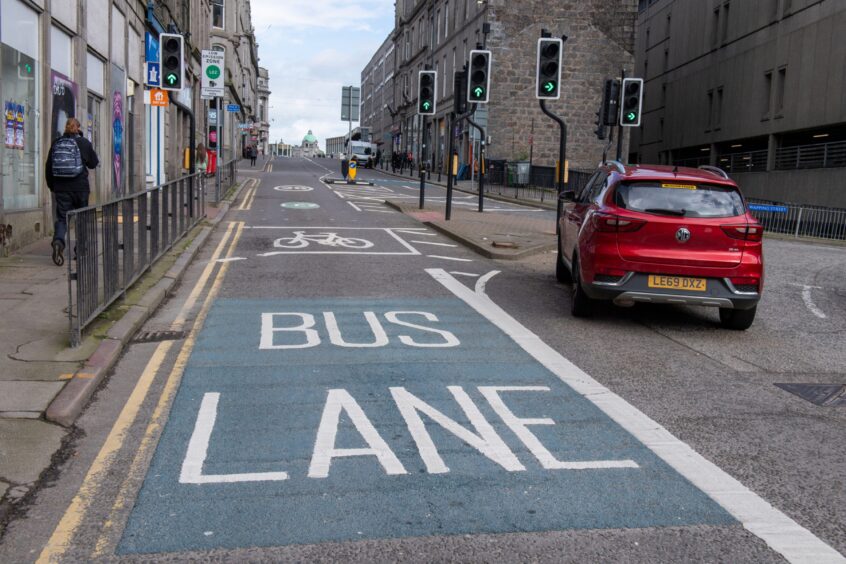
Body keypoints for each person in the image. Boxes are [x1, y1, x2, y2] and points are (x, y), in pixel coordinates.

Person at [45, 117, 99, 266]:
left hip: (61, 189)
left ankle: (58, 242)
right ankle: (80, 250)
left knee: (62, 219)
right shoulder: (84, 143)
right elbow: (94, 163)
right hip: (80, 188)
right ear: (78, 128)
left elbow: (48, 167)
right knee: (81, 218)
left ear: (66, 128)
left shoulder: (57, 143)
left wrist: (52, 186)